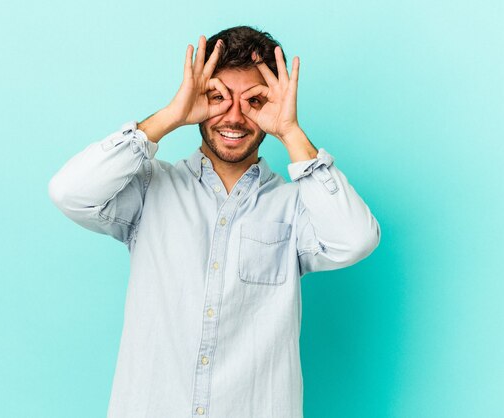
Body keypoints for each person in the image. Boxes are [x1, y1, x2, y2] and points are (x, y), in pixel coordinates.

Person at [48, 25, 381, 418]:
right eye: (217, 97)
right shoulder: (150, 189)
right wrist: (171, 116)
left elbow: (356, 239)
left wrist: (291, 132)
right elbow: (69, 191)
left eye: (254, 100)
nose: (235, 116)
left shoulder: (295, 206)